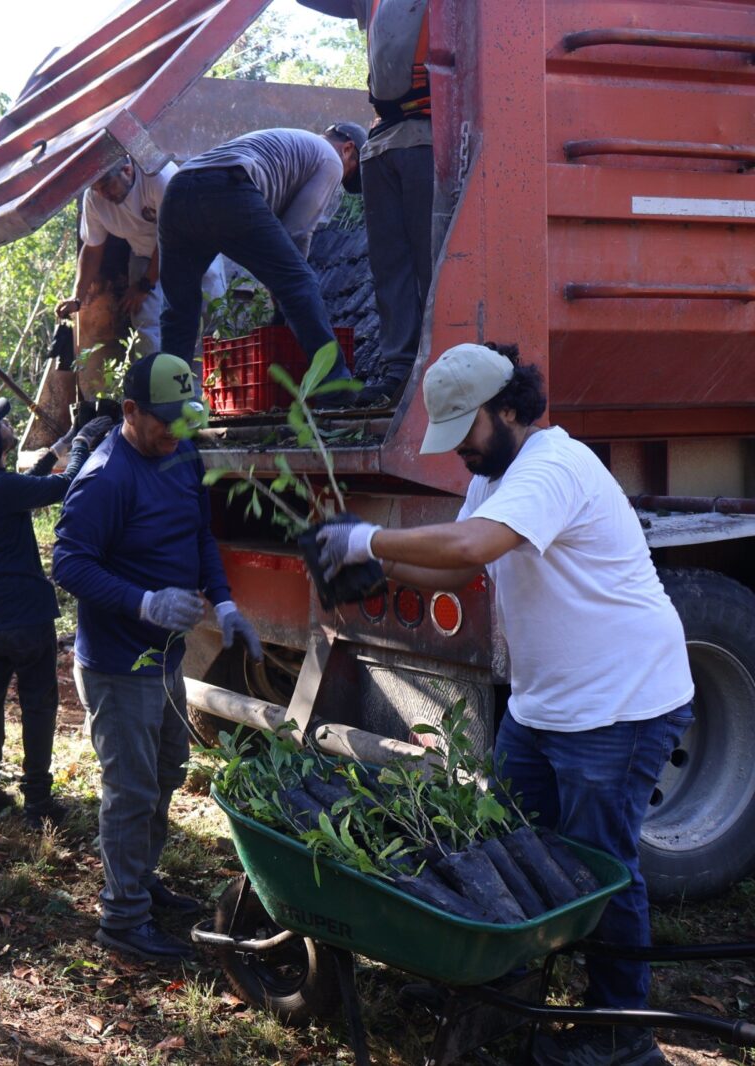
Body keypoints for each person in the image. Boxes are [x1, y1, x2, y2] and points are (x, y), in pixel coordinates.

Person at [315, 343, 692, 1066]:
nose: (460, 451)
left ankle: (623, 1034)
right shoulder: (498, 474)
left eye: (468, 432)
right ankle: (507, 985)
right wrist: (375, 568)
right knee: (513, 852)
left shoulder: (553, 466)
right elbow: (459, 571)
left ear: (510, 408)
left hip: (621, 706)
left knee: (601, 872)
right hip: (546, 707)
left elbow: (469, 542)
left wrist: (365, 537)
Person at [53, 352, 263, 963]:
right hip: (118, 664)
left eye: (183, 419)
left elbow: (199, 533)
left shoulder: (181, 454)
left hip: (167, 661)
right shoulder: (105, 478)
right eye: (163, 421)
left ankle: (140, 879)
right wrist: (142, 602)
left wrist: (223, 605)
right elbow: (68, 564)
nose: (174, 432)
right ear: (130, 410)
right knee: (130, 789)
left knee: (167, 771)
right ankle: (122, 920)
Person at [0, 397, 115, 826]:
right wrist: (80, 444)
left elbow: (25, 480)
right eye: (2, 424)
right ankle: (37, 802)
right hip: (25, 615)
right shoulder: (1, 488)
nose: (10, 425)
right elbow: (68, 485)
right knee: (38, 705)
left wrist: (58, 445)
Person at [299, 0, 435, 408]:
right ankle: (399, 371)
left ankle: (440, 363)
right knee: (389, 265)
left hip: (431, 131)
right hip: (384, 140)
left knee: (433, 261)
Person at [158, 125, 365, 386]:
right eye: (350, 173)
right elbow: (297, 231)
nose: (340, 181)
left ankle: (168, 404)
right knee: (301, 282)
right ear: (347, 149)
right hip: (227, 188)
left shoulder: (296, 143)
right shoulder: (330, 158)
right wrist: (285, 286)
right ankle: (335, 383)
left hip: (178, 190)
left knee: (179, 311)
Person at [55, 156, 179, 356]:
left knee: (209, 314)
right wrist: (77, 298)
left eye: (106, 185)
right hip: (144, 254)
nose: (102, 194)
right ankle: (154, 380)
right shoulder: (93, 198)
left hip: (190, 248)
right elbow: (93, 248)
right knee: (146, 326)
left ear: (127, 171)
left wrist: (145, 284)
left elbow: (172, 238)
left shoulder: (159, 177)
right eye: (96, 188)